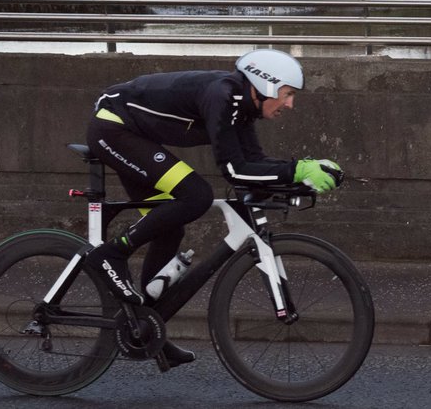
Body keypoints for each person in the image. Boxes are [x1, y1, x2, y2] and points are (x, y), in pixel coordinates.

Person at [83, 48, 342, 366]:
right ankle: (113, 252)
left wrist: (302, 175)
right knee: (196, 195)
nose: (290, 104)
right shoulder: (223, 96)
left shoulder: (243, 108)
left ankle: (149, 329)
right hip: (113, 127)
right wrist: (298, 169)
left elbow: (253, 163)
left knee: (170, 230)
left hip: (134, 134)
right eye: (287, 94)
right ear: (267, 86)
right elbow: (233, 170)